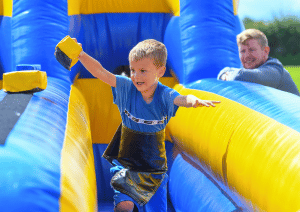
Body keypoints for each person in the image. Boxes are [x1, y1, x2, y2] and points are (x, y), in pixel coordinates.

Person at [73, 38, 220, 212]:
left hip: (153, 168)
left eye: (143, 71)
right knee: (124, 205)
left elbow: (180, 99)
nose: (136, 76)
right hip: (127, 162)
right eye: (133, 70)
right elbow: (101, 72)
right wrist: (81, 55)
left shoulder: (164, 94)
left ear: (160, 71)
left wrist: (193, 100)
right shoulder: (127, 87)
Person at [217, 29, 300, 96]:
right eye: (242, 51)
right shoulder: (252, 68)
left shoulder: (274, 69)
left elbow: (243, 76)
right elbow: (225, 70)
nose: (246, 56)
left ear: (265, 51)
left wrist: (228, 74)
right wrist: (225, 72)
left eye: (251, 50)